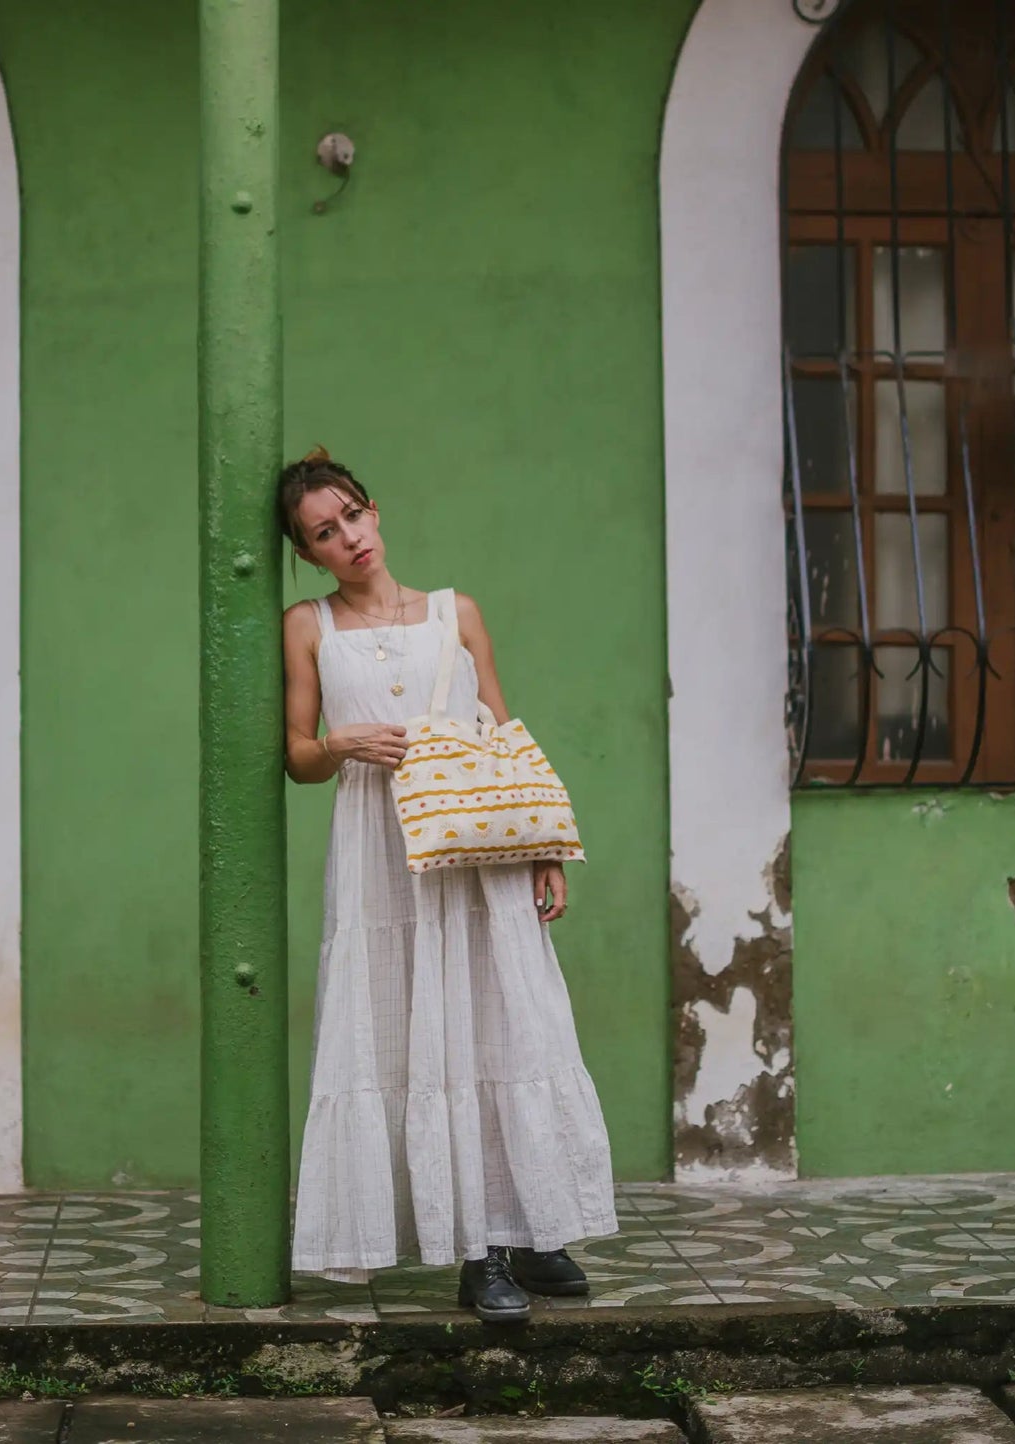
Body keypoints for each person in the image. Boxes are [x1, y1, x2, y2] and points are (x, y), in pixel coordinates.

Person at [279, 447, 618, 1322]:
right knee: (416, 1034)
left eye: (352, 515)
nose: (347, 537)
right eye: (323, 531)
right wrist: (341, 745)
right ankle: (478, 1250)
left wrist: (544, 846)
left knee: (506, 1021)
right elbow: (296, 756)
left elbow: (504, 733)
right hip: (380, 852)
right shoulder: (306, 624)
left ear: (375, 511)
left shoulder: (454, 611)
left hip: (479, 845)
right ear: (306, 550)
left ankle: (531, 1229)